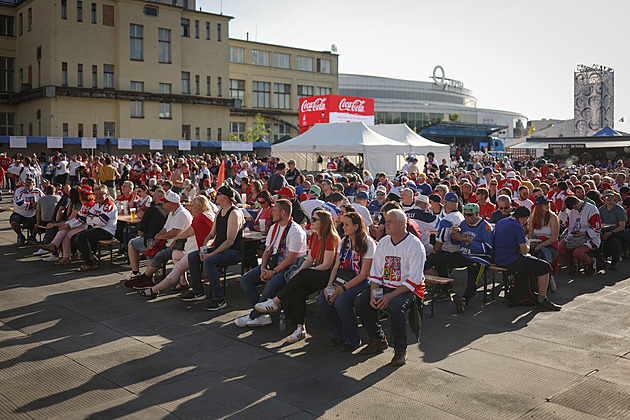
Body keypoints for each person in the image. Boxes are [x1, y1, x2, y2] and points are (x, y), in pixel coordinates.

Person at [255, 210, 339, 343]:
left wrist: (304, 273)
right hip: (317, 271)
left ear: (323, 222)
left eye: (314, 219)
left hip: (329, 275)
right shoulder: (315, 236)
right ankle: (300, 328)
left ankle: (276, 301)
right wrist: (299, 271)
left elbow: (327, 265)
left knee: (303, 275)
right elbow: (310, 259)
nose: (311, 221)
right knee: (299, 289)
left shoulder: (330, 237)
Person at [355, 208, 426, 367]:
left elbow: (413, 281)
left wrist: (390, 296)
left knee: (395, 306)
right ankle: (378, 339)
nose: (385, 224)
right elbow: (376, 272)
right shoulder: (384, 242)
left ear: (402, 225)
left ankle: (400, 350)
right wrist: (374, 292)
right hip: (386, 286)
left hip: (408, 289)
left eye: (390, 221)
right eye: (385, 221)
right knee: (361, 301)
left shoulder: (414, 245)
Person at [235, 199, 307, 327]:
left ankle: (254, 315)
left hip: (289, 268)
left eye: (274, 211)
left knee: (270, 287)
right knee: (245, 280)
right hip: (273, 264)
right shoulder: (275, 227)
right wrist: (263, 269)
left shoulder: (295, 231)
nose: (271, 213)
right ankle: (261, 315)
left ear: (283, 213)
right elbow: (267, 251)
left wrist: (272, 272)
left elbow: (291, 259)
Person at [317, 212, 376, 351]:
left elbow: (363, 275)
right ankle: (338, 334)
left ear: (356, 226)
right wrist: (329, 286)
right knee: (322, 299)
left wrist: (341, 290)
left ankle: (353, 340)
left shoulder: (368, 243)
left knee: (341, 301)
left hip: (362, 283)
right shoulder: (344, 241)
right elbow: (336, 266)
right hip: (343, 280)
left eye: (346, 224)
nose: (343, 227)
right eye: (343, 224)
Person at [138, 195, 216, 297]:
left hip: (200, 249)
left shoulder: (200, 217)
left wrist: (175, 239)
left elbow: (187, 233)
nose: (190, 207)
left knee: (176, 265)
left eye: (192, 205)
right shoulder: (211, 213)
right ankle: (183, 282)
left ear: (198, 206)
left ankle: (154, 290)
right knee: (175, 254)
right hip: (203, 247)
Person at [182, 186, 245, 311]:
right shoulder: (219, 212)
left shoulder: (234, 213)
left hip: (234, 252)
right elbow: (211, 234)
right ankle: (198, 291)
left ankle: (219, 299)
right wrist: (204, 248)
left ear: (224, 197)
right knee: (193, 256)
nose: (215, 197)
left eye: (217, 194)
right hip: (221, 248)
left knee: (210, 261)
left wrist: (211, 254)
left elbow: (229, 241)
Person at [493, 206, 561, 310]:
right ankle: (542, 299)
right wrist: (528, 244)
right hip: (510, 260)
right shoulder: (518, 227)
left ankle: (533, 294)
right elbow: (525, 251)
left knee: (533, 265)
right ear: (525, 218)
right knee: (545, 267)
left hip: (497, 257)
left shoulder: (502, 222)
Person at [444, 203, 494, 313]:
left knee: (473, 281)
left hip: (479, 258)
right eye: (465, 214)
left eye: (469, 215)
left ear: (477, 214)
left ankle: (464, 300)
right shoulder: (463, 223)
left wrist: (471, 242)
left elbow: (488, 248)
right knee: (441, 261)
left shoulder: (485, 226)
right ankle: (444, 290)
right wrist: (454, 235)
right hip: (464, 254)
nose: (466, 217)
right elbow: (455, 242)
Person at [39, 184, 94, 264]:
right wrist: (67, 223)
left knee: (63, 230)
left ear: (84, 195)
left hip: (87, 226)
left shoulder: (88, 204)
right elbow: (76, 218)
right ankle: (61, 253)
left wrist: (67, 225)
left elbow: (80, 220)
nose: (79, 195)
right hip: (81, 224)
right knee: (64, 231)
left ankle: (56, 249)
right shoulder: (85, 204)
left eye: (80, 193)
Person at [125, 188, 169, 280]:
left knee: (131, 243)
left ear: (157, 199)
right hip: (166, 242)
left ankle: (135, 272)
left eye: (153, 196)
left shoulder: (151, 210)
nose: (152, 198)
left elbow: (141, 231)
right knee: (149, 246)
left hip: (152, 242)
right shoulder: (169, 210)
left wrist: (141, 235)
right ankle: (157, 270)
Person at [72, 184, 118, 271]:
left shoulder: (109, 204)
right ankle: (91, 256)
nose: (98, 196)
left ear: (107, 194)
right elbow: (88, 219)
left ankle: (89, 263)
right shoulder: (96, 204)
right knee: (74, 237)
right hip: (97, 229)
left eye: (101, 194)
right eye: (96, 194)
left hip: (107, 231)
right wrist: (95, 220)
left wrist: (93, 219)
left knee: (82, 237)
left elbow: (102, 222)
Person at [558, 196, 601, 275]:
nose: (575, 209)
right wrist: (563, 209)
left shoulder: (591, 209)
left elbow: (596, 229)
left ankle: (591, 263)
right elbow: (561, 222)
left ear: (578, 201)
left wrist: (582, 234)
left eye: (575, 207)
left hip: (588, 236)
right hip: (572, 235)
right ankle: (572, 262)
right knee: (560, 248)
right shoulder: (570, 209)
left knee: (577, 252)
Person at [528, 195, 560, 291]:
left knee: (541, 256)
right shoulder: (533, 217)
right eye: (544, 204)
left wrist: (540, 245)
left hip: (550, 245)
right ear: (538, 206)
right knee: (529, 256)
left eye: (548, 203)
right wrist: (533, 243)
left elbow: (554, 238)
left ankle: (548, 278)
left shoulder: (553, 217)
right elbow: (530, 235)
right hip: (537, 243)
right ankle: (534, 283)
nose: (547, 205)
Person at [598, 189, 627, 270]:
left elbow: (622, 226)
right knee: (596, 239)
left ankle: (615, 261)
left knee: (615, 241)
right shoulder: (601, 209)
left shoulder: (619, 209)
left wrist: (610, 233)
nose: (609, 199)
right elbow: (599, 224)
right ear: (603, 198)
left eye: (611, 197)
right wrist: (600, 233)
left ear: (614, 197)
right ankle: (600, 260)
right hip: (604, 231)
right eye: (607, 197)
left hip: (616, 232)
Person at [11, 177, 44, 246]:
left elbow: (43, 200)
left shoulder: (38, 191)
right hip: (20, 214)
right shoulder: (19, 191)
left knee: (41, 221)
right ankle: (21, 236)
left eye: (30, 182)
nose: (27, 183)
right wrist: (32, 205)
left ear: (33, 183)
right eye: (26, 182)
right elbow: (19, 202)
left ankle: (32, 237)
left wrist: (38, 204)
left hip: (34, 214)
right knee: (13, 221)